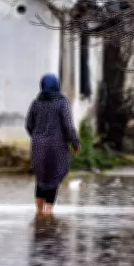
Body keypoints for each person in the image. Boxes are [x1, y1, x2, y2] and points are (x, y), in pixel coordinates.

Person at [25, 74, 80, 215]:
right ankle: (48, 212)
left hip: (38, 147)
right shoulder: (62, 103)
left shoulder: (36, 103)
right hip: (57, 148)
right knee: (53, 178)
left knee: (41, 178)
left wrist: (37, 137)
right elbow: (68, 126)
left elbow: (28, 125)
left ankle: (39, 213)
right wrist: (75, 142)